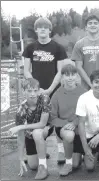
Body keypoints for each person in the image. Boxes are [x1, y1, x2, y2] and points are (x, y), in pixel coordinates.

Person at [22, 17, 68, 164]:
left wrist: (49, 89)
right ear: (36, 30)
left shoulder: (58, 48)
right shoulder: (30, 48)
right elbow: (26, 71)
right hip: (36, 91)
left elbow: (60, 72)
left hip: (54, 88)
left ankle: (61, 151)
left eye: (45, 27)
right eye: (39, 27)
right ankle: (42, 150)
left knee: (56, 119)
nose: (42, 29)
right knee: (40, 121)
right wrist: (36, 88)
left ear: (49, 30)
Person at [8, 78, 53, 180]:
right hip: (30, 133)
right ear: (23, 91)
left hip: (46, 128)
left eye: (35, 90)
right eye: (29, 91)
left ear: (39, 90)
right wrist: (20, 159)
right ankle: (40, 152)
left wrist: (21, 126)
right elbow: (20, 137)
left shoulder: (45, 99)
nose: (33, 94)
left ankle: (43, 167)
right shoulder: (21, 110)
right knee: (32, 166)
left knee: (37, 133)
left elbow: (42, 124)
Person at [50, 64, 87, 176]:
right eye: (67, 75)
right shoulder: (56, 95)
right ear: (62, 77)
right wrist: (67, 124)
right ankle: (68, 163)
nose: (70, 78)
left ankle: (93, 150)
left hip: (80, 128)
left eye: (73, 75)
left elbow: (87, 113)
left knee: (88, 166)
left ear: (77, 76)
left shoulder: (83, 92)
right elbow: (53, 118)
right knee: (69, 135)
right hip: (65, 128)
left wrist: (75, 122)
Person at [71, 15, 99, 91]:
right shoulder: (79, 44)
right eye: (90, 23)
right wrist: (91, 83)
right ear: (86, 27)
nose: (93, 25)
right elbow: (79, 67)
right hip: (85, 87)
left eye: (95, 23)